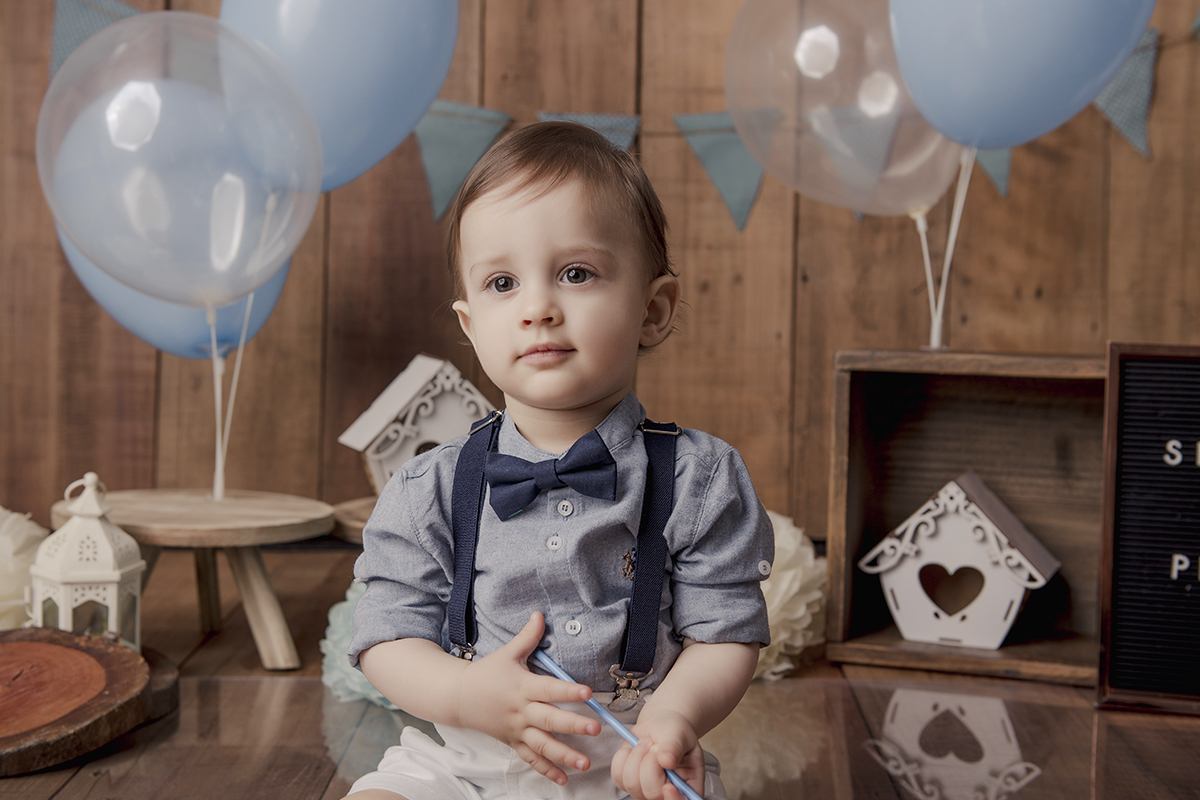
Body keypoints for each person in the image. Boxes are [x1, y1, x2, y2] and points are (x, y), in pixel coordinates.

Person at [344, 121, 774, 800]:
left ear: (653, 310)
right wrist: (461, 694)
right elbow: (385, 635)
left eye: (576, 273)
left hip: (632, 753)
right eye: (502, 283)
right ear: (470, 324)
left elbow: (727, 634)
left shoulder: (699, 478)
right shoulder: (429, 485)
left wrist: (674, 717)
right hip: (471, 753)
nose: (538, 308)